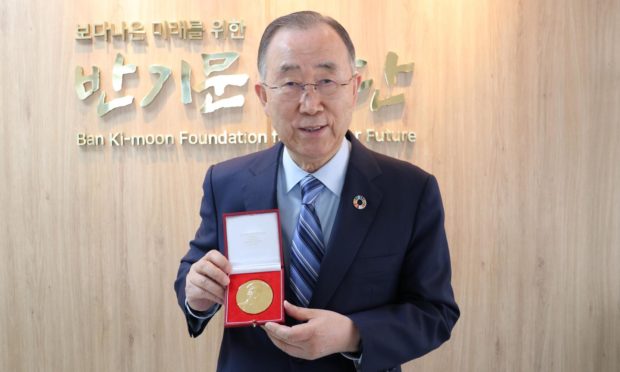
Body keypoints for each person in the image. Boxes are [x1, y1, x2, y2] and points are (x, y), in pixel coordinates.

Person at [174, 10, 459, 372]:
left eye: (326, 81)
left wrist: (353, 334)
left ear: (354, 88)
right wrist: (197, 295)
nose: (311, 105)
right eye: (290, 84)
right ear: (263, 95)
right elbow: (195, 272)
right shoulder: (226, 182)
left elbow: (435, 312)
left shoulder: (410, 190)